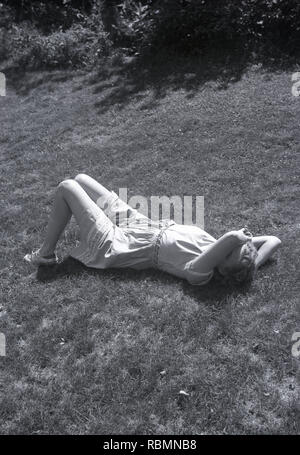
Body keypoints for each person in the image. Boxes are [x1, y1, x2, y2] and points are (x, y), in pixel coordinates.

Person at [24, 174, 281, 286]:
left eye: (227, 252)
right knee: (82, 179)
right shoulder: (223, 255)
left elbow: (228, 241)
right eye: (233, 247)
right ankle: (86, 216)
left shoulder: (200, 273)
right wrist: (252, 266)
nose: (227, 245)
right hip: (139, 224)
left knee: (67, 187)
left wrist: (237, 239)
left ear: (222, 270)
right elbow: (274, 239)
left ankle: (45, 254)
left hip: (118, 244)